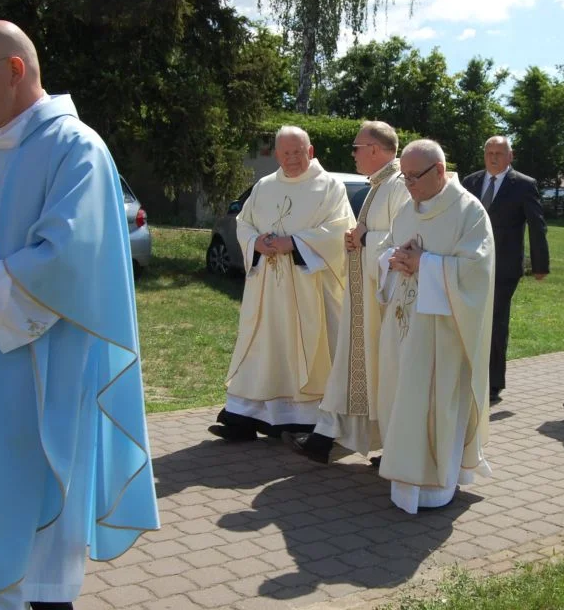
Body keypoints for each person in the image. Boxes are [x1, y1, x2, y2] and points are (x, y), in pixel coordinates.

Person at [0, 20, 159, 610]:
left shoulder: (75, 147)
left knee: (26, 526)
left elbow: (66, 259)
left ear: (15, 69)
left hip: (37, 365)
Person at [212, 126, 355, 442]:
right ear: (277, 154)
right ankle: (244, 416)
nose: (292, 158)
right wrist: (255, 242)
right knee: (263, 348)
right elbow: (244, 223)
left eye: (298, 151)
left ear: (311, 151)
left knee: (301, 348)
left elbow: (340, 231)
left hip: (308, 290)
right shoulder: (264, 186)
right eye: (285, 152)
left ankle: (302, 419)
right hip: (267, 288)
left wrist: (296, 242)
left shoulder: (330, 187)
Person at [376, 139, 494, 513]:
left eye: (414, 176)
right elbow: (390, 249)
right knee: (402, 396)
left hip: (443, 332)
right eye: (404, 176)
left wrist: (425, 264)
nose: (408, 184)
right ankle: (402, 474)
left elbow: (476, 272)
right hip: (404, 324)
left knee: (434, 402)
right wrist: (391, 260)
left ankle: (433, 487)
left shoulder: (468, 212)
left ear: (440, 171)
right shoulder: (407, 211)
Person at [287, 121, 409, 463]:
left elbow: (406, 239)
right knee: (352, 369)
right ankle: (326, 437)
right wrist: (357, 238)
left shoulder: (399, 185)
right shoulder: (379, 184)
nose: (352, 153)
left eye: (357, 147)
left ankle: (386, 446)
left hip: (383, 304)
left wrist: (365, 239)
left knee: (382, 374)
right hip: (364, 301)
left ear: (375, 149)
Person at [462, 136, 549, 404]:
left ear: (510, 156)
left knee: (495, 321)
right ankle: (468, 374)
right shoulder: (470, 182)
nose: (494, 157)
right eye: (489, 152)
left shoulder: (523, 185)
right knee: (469, 318)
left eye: (500, 153)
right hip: (469, 264)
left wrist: (540, 265)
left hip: (504, 266)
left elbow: (537, 226)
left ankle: (493, 382)